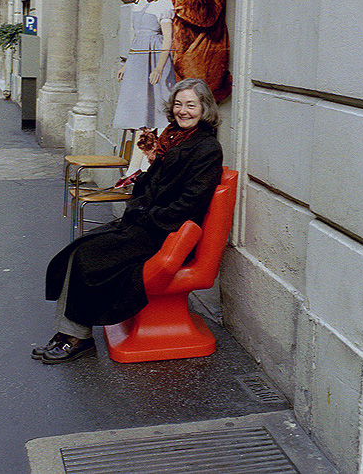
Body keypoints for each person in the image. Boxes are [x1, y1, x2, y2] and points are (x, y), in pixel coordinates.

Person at [33, 78, 223, 364]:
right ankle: (67, 332)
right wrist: (145, 178)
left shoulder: (206, 148)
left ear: (204, 108)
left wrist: (145, 214)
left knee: (88, 255)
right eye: (178, 104)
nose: (183, 111)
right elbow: (151, 183)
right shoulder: (173, 137)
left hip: (166, 234)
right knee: (77, 250)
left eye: (191, 105)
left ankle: (76, 337)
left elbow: (189, 205)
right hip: (146, 224)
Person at [113, 0, 176, 130]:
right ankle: (141, 152)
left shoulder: (163, 1)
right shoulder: (138, 2)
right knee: (139, 108)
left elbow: (168, 38)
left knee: (159, 105)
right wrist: (127, 64)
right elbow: (137, 37)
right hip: (139, 61)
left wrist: (159, 68)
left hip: (156, 58)